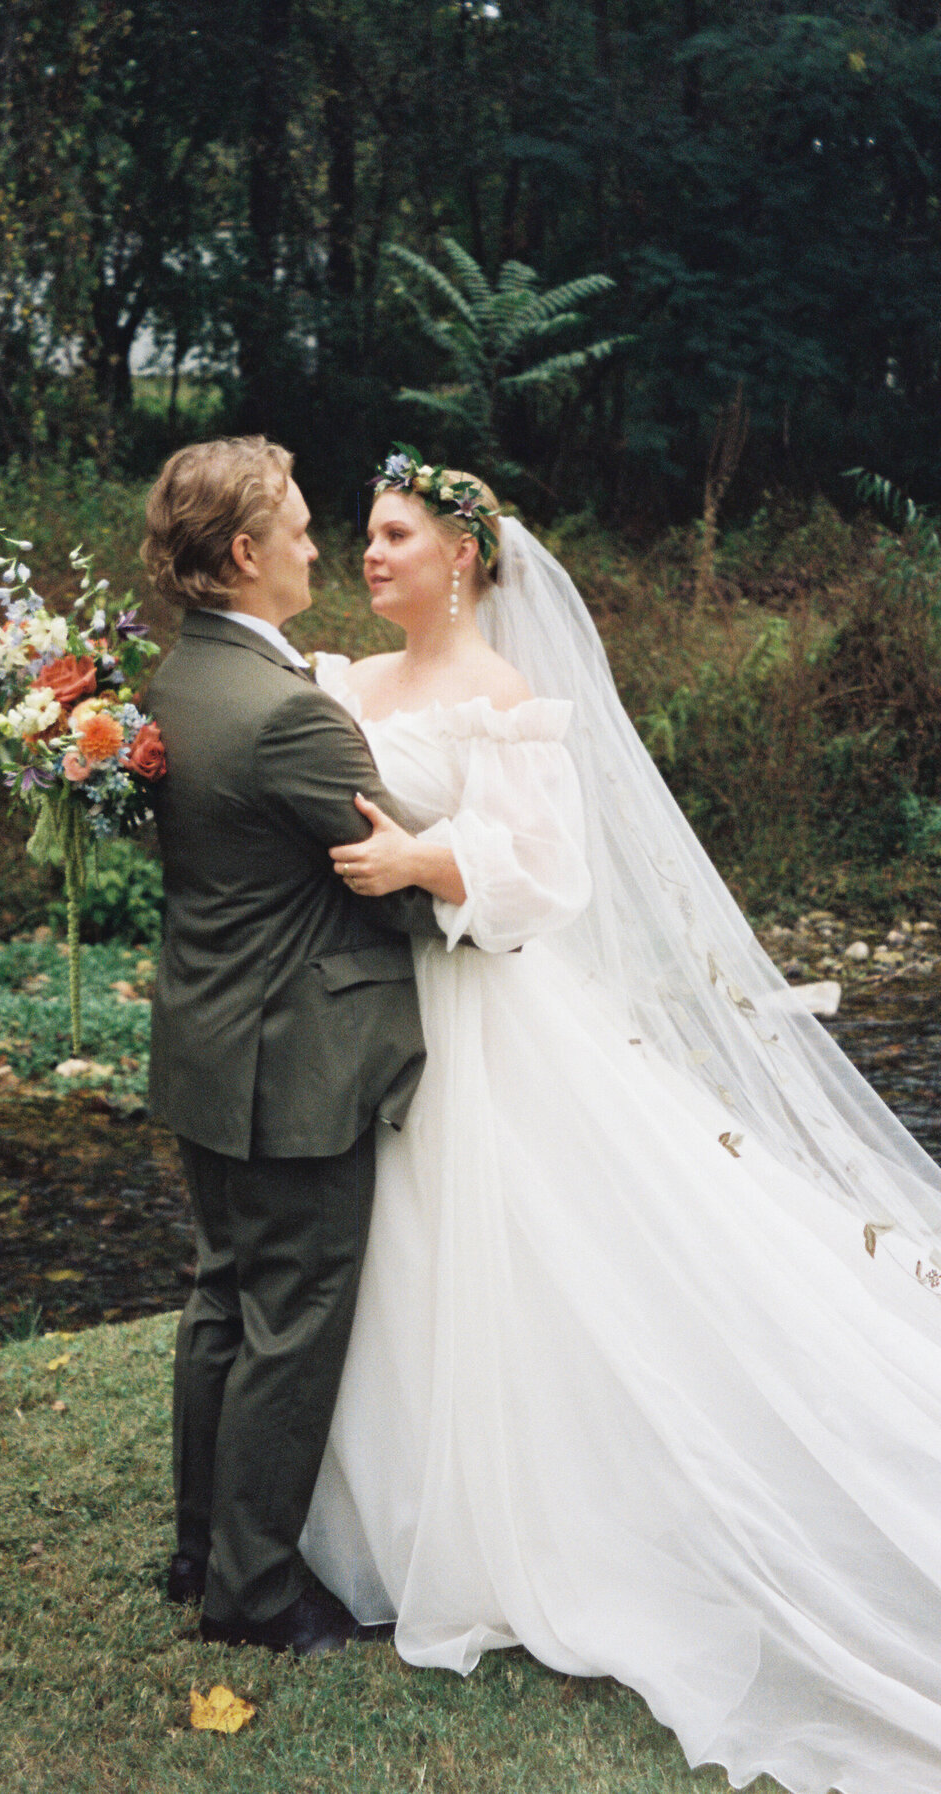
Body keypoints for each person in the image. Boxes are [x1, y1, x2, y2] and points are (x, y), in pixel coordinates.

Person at [298, 446, 941, 1794]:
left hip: (483, 1010)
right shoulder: (336, 683)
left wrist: (429, 858)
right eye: (363, 533)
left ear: (462, 557)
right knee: (395, 1258)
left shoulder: (502, 697)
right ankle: (390, 1506)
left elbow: (552, 875)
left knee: (511, 1248)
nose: (371, 555)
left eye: (396, 534)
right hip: (365, 1008)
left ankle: (524, 1514)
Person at [140, 436, 464, 1657]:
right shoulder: (288, 717)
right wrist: (477, 878)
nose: (322, 547)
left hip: (208, 1041)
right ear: (245, 553)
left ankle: (197, 1549)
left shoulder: (174, 683)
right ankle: (254, 1598)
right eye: (303, 528)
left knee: (222, 1298)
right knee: (291, 1315)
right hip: (298, 1061)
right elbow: (399, 889)